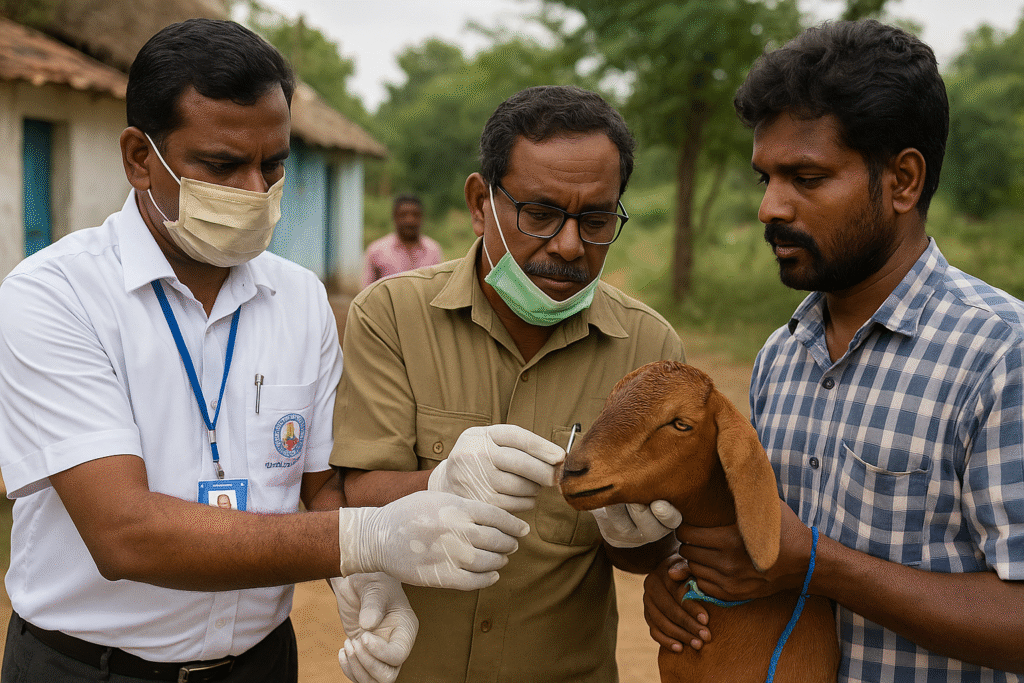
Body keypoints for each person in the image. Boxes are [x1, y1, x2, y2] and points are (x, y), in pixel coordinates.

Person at [0, 19, 535, 683]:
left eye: (274, 164)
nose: (257, 191)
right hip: (89, 670)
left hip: (259, 664)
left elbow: (319, 489)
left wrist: (424, 503)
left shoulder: (299, 298)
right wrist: (368, 538)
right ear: (140, 157)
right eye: (222, 165)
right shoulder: (56, 295)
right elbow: (124, 532)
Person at [643, 19, 1024, 681]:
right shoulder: (779, 357)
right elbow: (764, 547)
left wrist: (821, 562)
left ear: (903, 180)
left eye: (806, 177)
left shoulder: (1000, 355)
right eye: (765, 177)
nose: (770, 207)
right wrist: (687, 580)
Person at [331, 84, 686, 682]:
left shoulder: (650, 352)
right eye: (540, 215)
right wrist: (440, 483)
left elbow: (650, 555)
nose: (570, 245)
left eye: (596, 220)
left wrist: (640, 533)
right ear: (480, 202)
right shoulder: (390, 316)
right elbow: (358, 491)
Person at [361, 194, 443, 287]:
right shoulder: (376, 251)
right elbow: (366, 293)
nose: (410, 220)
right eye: (403, 215)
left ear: (422, 217)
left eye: (415, 214)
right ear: (394, 217)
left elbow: (438, 288)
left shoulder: (433, 250)